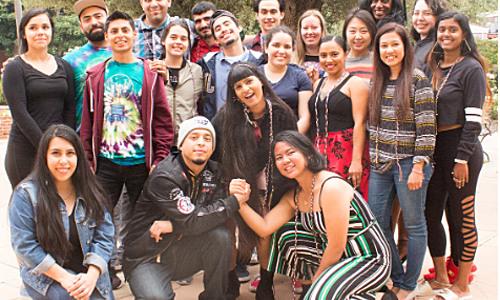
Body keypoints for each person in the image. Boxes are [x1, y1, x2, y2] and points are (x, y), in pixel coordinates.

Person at [80, 10, 173, 291]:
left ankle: (140, 269)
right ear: (107, 37)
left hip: (140, 162)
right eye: (114, 31)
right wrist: (88, 159)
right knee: (100, 218)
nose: (120, 35)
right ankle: (105, 269)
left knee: (141, 220)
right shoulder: (96, 75)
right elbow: (87, 122)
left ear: (134, 35)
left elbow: (162, 120)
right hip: (105, 162)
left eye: (125, 30)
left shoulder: (149, 73)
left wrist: (159, 158)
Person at [237, 130, 391, 299]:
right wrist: (239, 202)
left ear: (308, 154)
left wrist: (318, 283)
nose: (285, 160)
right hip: (339, 259)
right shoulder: (294, 195)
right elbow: (264, 228)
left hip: (368, 258)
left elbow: (336, 246)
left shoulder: (331, 186)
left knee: (320, 295)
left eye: (290, 153)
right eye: (279, 157)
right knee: (286, 233)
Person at [122, 116, 249, 300]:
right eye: (194, 137)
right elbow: (194, 220)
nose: (200, 143)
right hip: (147, 257)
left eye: (207, 139)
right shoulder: (165, 176)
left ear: (212, 148)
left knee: (220, 237)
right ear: (181, 144)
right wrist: (233, 201)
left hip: (182, 252)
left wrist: (172, 225)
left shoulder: (215, 172)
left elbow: (207, 214)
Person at [212, 62, 297, 298]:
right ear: (234, 93)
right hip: (235, 183)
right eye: (238, 86)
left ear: (260, 81)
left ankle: (266, 282)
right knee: (228, 232)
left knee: (264, 232)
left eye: (249, 81)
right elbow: (214, 152)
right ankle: (230, 281)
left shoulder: (282, 113)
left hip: (270, 184)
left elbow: (293, 150)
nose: (245, 89)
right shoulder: (226, 117)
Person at [367, 23, 436, 300]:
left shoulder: (418, 80)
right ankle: (396, 276)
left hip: (410, 164)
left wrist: (419, 166)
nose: (389, 50)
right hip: (380, 165)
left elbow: (427, 128)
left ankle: (409, 284)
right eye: (384, 46)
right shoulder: (377, 81)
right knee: (378, 222)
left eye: (394, 44)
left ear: (405, 47)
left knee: (414, 223)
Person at [9, 124, 114, 300]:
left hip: (86, 273)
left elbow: (105, 235)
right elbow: (24, 246)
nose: (63, 160)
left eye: (70, 153)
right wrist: (66, 278)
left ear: (78, 157)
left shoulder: (91, 190)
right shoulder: (26, 195)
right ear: (44, 157)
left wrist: (92, 275)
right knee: (65, 296)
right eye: (56, 153)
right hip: (47, 276)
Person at [425, 12, 488, 299]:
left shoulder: (471, 68)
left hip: (461, 148)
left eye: (453, 29)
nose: (446, 34)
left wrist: (461, 159)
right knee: (430, 213)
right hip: (435, 148)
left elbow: (473, 120)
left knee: (461, 216)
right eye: (442, 29)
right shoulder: (433, 66)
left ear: (464, 34)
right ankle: (440, 275)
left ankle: (461, 283)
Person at [3, 8, 75, 189]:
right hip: (24, 150)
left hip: (58, 151)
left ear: (51, 31)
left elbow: (70, 109)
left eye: (45, 27)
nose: (40, 32)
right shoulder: (14, 68)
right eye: (33, 28)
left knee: (57, 207)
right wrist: (47, 146)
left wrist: (64, 144)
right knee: (28, 209)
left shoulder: (64, 66)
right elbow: (20, 114)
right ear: (24, 34)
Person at [308, 35, 370, 200]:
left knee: (348, 200)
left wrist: (356, 161)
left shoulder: (355, 84)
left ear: (346, 53)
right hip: (320, 150)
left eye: (334, 54)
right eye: (323, 55)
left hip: (346, 150)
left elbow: (360, 123)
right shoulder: (317, 83)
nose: (329, 60)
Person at [198, 9, 264, 120]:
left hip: (254, 128)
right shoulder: (207, 64)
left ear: (239, 28)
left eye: (227, 24)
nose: (223, 29)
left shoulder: (259, 60)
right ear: (216, 40)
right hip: (219, 129)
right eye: (218, 29)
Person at [64, 0, 111, 131]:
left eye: (98, 16)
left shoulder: (127, 53)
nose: (94, 22)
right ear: (81, 27)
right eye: (87, 19)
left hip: (122, 139)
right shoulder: (70, 61)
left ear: (108, 19)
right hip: (84, 139)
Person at [260, 25, 313, 134]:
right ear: (266, 47)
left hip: (292, 141)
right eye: (276, 45)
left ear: (293, 50)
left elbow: (305, 118)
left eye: (287, 47)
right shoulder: (255, 75)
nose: (281, 51)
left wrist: (287, 141)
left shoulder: (300, 77)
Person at [160, 19, 203, 139]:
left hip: (188, 139)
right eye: (173, 37)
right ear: (163, 41)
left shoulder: (197, 71)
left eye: (183, 39)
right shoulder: (153, 70)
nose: (178, 42)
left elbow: (203, 103)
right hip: (159, 140)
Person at [410, 0, 447, 70]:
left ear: (439, 16)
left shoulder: (439, 49)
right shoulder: (416, 46)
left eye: (427, 13)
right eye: (416, 13)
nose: (420, 18)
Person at [293, 9, 327, 85]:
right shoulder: (291, 59)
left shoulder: (332, 58)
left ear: (322, 30)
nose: (310, 32)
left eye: (314, 27)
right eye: (305, 28)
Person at [342, 8, 377, 81]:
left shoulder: (379, 61)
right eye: (352, 31)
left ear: (372, 33)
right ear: (345, 33)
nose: (358, 37)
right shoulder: (339, 61)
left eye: (363, 31)